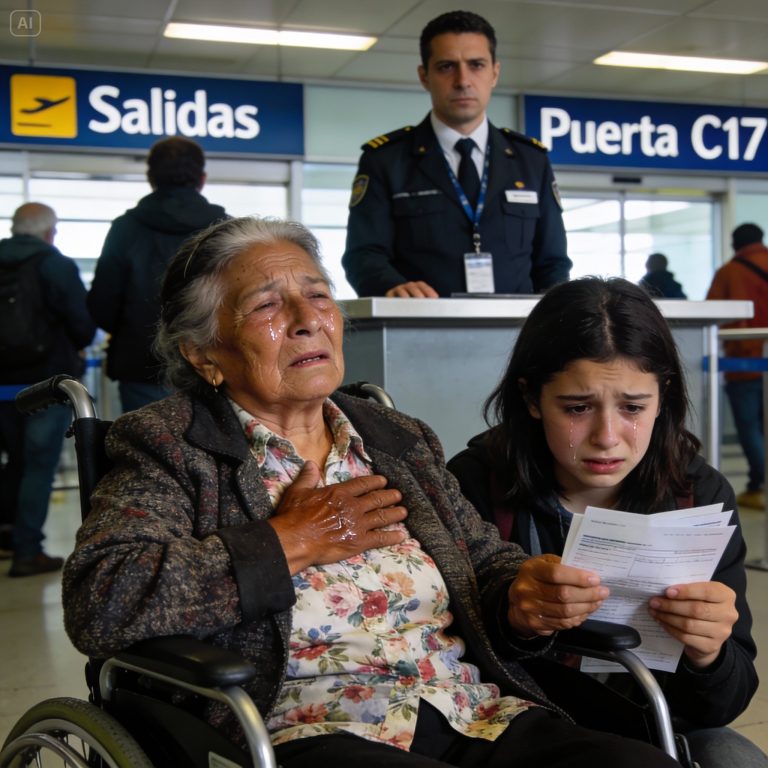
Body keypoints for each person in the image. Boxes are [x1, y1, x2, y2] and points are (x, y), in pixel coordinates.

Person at [62, 217, 679, 768]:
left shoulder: (395, 437)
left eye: (317, 296)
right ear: (204, 355)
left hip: (471, 710)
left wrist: (521, 595)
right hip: (308, 727)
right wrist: (285, 543)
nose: (307, 320)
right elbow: (101, 598)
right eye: (268, 306)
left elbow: (483, 563)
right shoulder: (171, 445)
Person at [447, 276, 765, 768]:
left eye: (634, 408)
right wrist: (512, 617)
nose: (607, 437)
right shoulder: (472, 485)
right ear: (531, 399)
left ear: (663, 399)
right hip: (516, 728)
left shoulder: (697, 495)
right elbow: (439, 661)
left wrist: (711, 654)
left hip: (651, 723)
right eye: (577, 408)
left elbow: (722, 704)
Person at [341, 10, 570, 299]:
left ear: (494, 73)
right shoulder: (386, 160)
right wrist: (391, 286)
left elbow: (553, 262)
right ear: (424, 76)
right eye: (447, 67)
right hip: (418, 329)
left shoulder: (531, 160)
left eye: (476, 65)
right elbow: (364, 255)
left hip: (519, 334)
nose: (463, 80)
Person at [87, 136, 227, 413]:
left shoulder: (125, 229)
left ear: (151, 178)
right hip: (213, 364)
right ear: (202, 178)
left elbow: (102, 306)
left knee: (144, 450)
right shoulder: (225, 229)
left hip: (141, 367)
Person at [0, 203, 95, 577]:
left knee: (12, 462)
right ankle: (27, 550)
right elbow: (82, 323)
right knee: (39, 467)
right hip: (44, 385)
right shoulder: (54, 264)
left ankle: (6, 536)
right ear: (49, 232)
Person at [707, 223, 768, 510]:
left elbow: (712, 311)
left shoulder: (729, 272)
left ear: (734, 243)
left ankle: (761, 485)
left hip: (744, 363)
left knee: (750, 428)